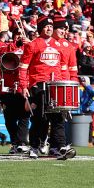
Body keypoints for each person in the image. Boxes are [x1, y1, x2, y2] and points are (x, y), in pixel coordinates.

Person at [17, 15, 76, 160]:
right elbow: (23, 67)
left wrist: (65, 85)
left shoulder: (59, 46)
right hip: (39, 86)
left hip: (55, 86)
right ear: (40, 28)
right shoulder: (33, 45)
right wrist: (24, 86)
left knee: (58, 117)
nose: (49, 28)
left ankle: (61, 146)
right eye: (46, 26)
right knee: (39, 118)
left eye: (51, 26)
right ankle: (34, 146)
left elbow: (62, 68)